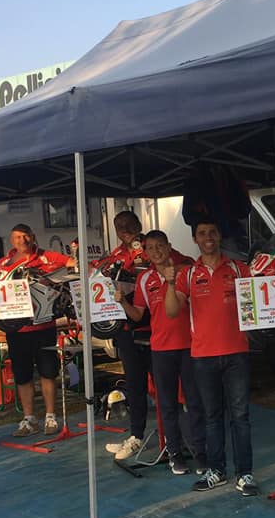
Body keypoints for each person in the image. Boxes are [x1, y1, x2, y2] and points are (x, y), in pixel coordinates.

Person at [164, 218, 258, 496]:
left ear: (219, 236)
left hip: (237, 353)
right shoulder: (188, 274)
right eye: (202, 233)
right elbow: (171, 311)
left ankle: (245, 473)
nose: (208, 237)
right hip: (203, 356)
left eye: (212, 232)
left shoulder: (239, 269)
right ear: (195, 239)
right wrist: (169, 282)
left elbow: (256, 302)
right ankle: (216, 470)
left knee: (240, 416)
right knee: (212, 416)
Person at [116, 229, 206, 475]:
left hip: (190, 347)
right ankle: (175, 453)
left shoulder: (185, 272)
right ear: (145, 253)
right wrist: (122, 302)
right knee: (167, 405)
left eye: (160, 246)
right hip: (161, 349)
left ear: (168, 246)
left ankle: (201, 453)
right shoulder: (144, 279)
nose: (156, 252)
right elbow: (138, 315)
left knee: (194, 402)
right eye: (150, 248)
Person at [0, 224, 75, 438]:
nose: (22, 241)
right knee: (22, 376)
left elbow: (72, 263)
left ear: (33, 237)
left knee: (48, 372)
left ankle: (50, 416)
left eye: (26, 236)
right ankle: (29, 419)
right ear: (11, 240)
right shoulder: (3, 264)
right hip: (17, 330)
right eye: (17, 237)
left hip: (43, 326)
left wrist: (55, 282)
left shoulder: (46, 256)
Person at [99, 211, 152, 460]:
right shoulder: (116, 254)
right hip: (126, 329)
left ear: (139, 224)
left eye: (129, 224)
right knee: (134, 385)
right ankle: (136, 436)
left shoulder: (151, 246)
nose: (125, 229)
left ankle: (175, 439)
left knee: (167, 386)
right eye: (119, 226)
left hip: (153, 328)